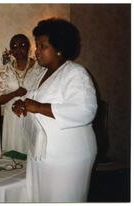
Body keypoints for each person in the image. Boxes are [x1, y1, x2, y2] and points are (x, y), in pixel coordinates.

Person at [13, 18, 98, 202]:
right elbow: (36, 100)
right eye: (37, 46)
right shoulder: (43, 73)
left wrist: (38, 107)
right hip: (42, 153)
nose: (37, 51)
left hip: (67, 157)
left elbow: (85, 110)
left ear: (59, 49)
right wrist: (23, 104)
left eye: (43, 46)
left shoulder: (75, 73)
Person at [0, 34, 43, 153]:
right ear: (11, 51)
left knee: (32, 153)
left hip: (32, 116)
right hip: (12, 119)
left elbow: (44, 93)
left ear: (28, 48)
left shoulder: (40, 68)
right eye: (14, 46)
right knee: (13, 154)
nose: (18, 49)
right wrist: (15, 93)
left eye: (22, 45)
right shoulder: (4, 70)